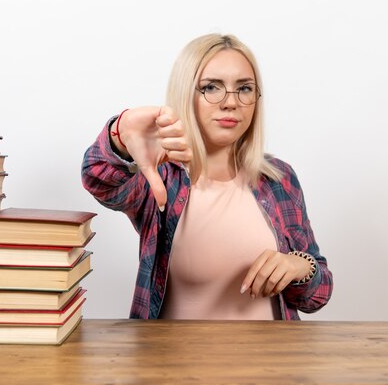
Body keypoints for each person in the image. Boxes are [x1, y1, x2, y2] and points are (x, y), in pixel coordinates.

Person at [81, 33, 333, 320]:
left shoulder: (279, 178)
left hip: (270, 362)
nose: (230, 103)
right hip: (175, 363)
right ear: (186, 93)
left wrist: (301, 267)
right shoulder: (161, 177)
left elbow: (318, 295)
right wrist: (119, 134)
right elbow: (98, 176)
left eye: (245, 88)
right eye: (212, 87)